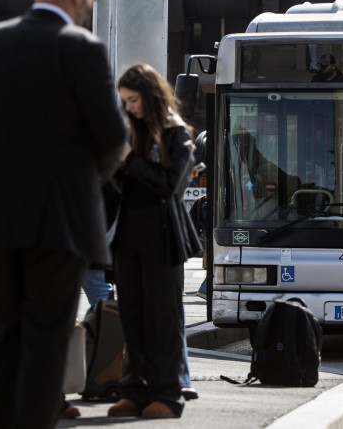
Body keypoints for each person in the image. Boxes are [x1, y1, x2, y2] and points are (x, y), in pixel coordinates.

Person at [0, 0, 128, 429]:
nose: (89, 5)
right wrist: (84, 181)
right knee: (46, 340)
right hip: (59, 218)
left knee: (3, 333)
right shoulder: (81, 48)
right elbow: (113, 137)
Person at [107, 63, 194, 420]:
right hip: (128, 235)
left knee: (162, 318)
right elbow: (116, 184)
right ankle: (134, 389)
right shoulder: (130, 131)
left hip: (162, 237)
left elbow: (171, 184)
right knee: (132, 315)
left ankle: (167, 393)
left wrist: (129, 161)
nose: (128, 107)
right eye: (124, 101)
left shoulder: (175, 131)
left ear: (149, 94)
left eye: (132, 100)